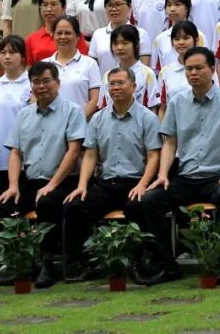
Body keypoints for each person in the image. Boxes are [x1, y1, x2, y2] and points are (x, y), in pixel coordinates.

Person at [138, 47, 220, 284]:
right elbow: (170, 142)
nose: (193, 73)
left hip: (218, 175)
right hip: (186, 176)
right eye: (189, 69)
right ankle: (166, 264)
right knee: (150, 200)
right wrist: (163, 174)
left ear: (212, 69)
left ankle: (217, 261)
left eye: (199, 68)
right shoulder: (177, 102)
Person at [0, 62, 87, 288]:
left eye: (46, 81)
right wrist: (13, 185)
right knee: (4, 205)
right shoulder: (24, 114)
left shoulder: (72, 111)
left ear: (58, 83)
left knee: (46, 203)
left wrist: (52, 184)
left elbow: (74, 151)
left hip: (63, 182)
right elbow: (15, 152)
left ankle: (47, 263)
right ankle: (17, 261)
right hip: (31, 181)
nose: (41, 86)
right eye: (36, 82)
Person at [63, 67, 161, 281]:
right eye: (112, 84)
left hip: (135, 182)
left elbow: (154, 155)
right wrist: (82, 185)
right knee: (75, 207)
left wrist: (143, 184)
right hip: (106, 183)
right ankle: (89, 263)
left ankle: (138, 263)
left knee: (138, 206)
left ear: (133, 86)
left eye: (120, 83)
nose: (115, 88)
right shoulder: (98, 119)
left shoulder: (147, 118)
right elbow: (90, 155)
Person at [0, 36, 32, 212]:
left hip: (29, 157)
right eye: (3, 53)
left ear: (23, 56)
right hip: (1, 158)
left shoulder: (33, 84)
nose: (7, 57)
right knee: (4, 209)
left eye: (12, 52)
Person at [44, 15, 101, 118]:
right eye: (59, 33)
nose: (63, 37)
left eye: (68, 33)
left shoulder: (90, 63)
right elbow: (35, 97)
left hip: (80, 124)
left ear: (78, 36)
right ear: (53, 36)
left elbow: (95, 99)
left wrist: (76, 122)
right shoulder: (44, 64)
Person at [95, 25, 161, 112]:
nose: (119, 48)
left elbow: (153, 107)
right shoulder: (108, 75)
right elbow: (103, 107)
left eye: (125, 43)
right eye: (115, 44)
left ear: (136, 45)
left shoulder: (148, 73)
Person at [89, 0, 152, 73]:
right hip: (105, 80)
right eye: (109, 5)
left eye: (118, 4)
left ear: (129, 6)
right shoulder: (98, 34)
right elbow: (93, 68)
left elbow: (144, 68)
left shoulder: (141, 34)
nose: (113, 9)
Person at [157, 21, 206, 121]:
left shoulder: (206, 68)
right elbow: (163, 108)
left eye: (186, 38)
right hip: (175, 126)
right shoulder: (166, 72)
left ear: (196, 40)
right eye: (176, 39)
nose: (181, 42)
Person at [25, 0, 89, 65]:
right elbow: (28, 68)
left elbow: (84, 62)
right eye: (45, 5)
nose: (49, 9)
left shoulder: (74, 35)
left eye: (53, 4)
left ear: (64, 8)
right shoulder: (31, 39)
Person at [152, 0, 197, 72]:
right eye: (169, 5)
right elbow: (157, 70)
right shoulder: (160, 38)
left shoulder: (198, 35)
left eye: (177, 4)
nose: (172, 9)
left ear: (187, 8)